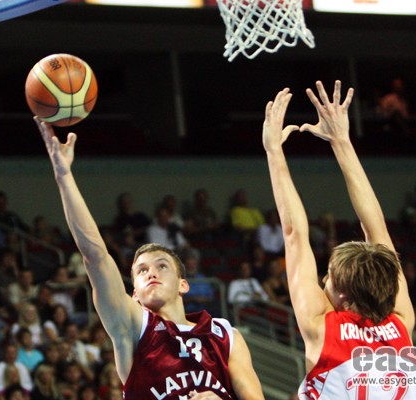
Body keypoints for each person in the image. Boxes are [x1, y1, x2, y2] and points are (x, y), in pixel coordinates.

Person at [35, 117, 264, 400]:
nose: (151, 272)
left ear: (183, 284)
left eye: (162, 266)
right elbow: (95, 257)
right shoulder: (134, 326)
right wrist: (64, 177)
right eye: (141, 270)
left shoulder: (225, 334)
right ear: (134, 294)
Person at [263, 82, 416, 398]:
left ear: (344, 294)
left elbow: (294, 234)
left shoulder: (322, 329)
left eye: (330, 277)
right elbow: (378, 231)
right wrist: (341, 141)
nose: (323, 280)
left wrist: (274, 151)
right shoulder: (402, 325)